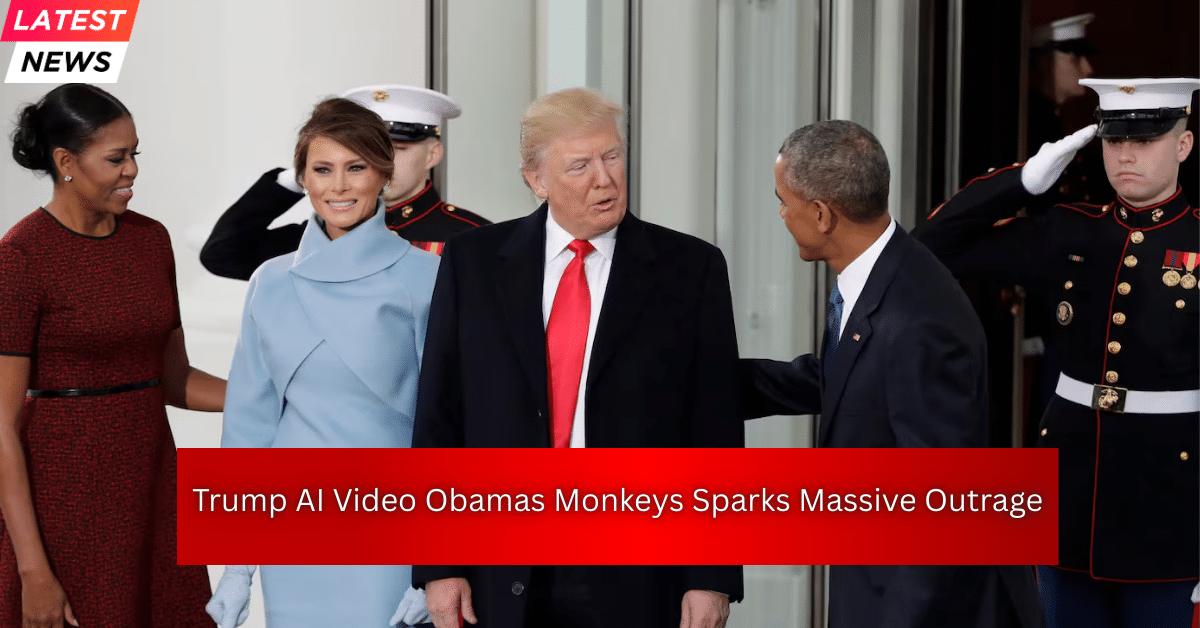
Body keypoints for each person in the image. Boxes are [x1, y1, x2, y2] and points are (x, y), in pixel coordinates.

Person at [412, 87, 744, 628]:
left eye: (612, 157)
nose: (604, 178)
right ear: (536, 180)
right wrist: (438, 564)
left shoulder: (691, 268)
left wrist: (711, 574)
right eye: (579, 165)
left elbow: (713, 431)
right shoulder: (473, 262)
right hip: (501, 557)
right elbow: (440, 419)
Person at [914, 78, 1200, 627]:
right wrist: (1022, 182)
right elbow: (931, 247)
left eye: (1146, 142)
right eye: (1115, 142)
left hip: (1173, 515)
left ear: (1183, 145)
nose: (1126, 156)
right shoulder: (1068, 231)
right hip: (1068, 500)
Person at [739, 120, 1045, 627]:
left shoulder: (919, 319)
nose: (781, 214)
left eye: (783, 201)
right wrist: (706, 381)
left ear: (820, 214)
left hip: (917, 603)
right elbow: (842, 378)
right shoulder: (884, 274)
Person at [203, 98, 438, 628]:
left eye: (356, 168)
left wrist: (438, 563)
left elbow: (448, 428)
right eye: (322, 170)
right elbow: (247, 428)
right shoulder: (270, 280)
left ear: (383, 174)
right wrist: (237, 567)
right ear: (302, 179)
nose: (339, 187)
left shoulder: (427, 278)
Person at [0, 83, 224, 628]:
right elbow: (0, 424)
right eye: (116, 158)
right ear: (65, 162)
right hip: (64, 497)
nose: (132, 171)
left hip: (151, 481)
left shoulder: (151, 240)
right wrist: (34, 572)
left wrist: (277, 395)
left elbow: (173, 380)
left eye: (134, 156)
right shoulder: (21, 257)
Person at [200, 85, 489, 279]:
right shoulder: (323, 234)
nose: (381, 163)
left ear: (433, 154)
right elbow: (222, 254)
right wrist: (303, 172)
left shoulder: (473, 239)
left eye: (397, 151)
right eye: (364, 155)